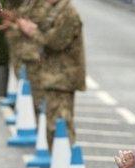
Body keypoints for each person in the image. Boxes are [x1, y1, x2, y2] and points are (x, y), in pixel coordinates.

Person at [17, 0, 85, 149]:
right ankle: (60, 163)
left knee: (61, 126)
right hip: (55, 77)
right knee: (52, 125)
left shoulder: (68, 13)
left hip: (62, 78)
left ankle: (65, 165)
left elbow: (55, 42)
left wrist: (32, 31)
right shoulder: (57, 10)